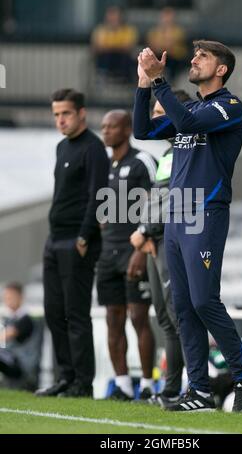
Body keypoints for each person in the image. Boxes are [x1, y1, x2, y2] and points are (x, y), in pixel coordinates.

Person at [133, 40, 242, 413]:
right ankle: (200, 391)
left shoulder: (229, 107)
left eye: (202, 56)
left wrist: (159, 83)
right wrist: (144, 84)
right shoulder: (189, 106)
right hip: (176, 217)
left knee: (205, 300)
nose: (193, 60)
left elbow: (187, 123)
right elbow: (142, 129)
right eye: (194, 55)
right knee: (184, 307)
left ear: (221, 69)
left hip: (205, 213)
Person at [36, 89, 109, 398]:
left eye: (65, 113)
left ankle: (83, 382)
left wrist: (84, 235)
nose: (60, 120)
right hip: (55, 240)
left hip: (77, 241)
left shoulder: (93, 148)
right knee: (54, 311)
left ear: (81, 113)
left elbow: (99, 195)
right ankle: (65, 376)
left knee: (76, 313)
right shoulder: (61, 148)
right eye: (55, 115)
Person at [130, 90, 191, 408]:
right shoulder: (168, 153)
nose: (155, 117)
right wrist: (145, 231)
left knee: (177, 317)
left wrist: (146, 231)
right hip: (155, 241)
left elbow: (176, 200)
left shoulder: (187, 150)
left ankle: (191, 389)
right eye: (152, 111)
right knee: (165, 319)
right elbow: (156, 198)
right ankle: (170, 390)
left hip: (170, 240)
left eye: (159, 111)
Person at [97, 110, 157, 401]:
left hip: (134, 252)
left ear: (127, 129)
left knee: (139, 318)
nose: (106, 131)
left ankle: (147, 384)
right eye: (104, 126)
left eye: (112, 126)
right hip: (108, 252)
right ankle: (121, 384)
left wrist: (141, 249)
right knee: (112, 318)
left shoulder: (143, 160)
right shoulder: (102, 165)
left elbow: (156, 201)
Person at [0, 282, 35, 389]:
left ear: (20, 297)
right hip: (12, 362)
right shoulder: (10, 319)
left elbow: (6, 335)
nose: (7, 300)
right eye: (6, 297)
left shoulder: (26, 319)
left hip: (22, 366)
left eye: (10, 297)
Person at [91, 6, 138, 81]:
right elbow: (97, 47)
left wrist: (109, 46)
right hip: (105, 59)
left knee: (128, 59)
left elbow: (128, 47)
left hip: (122, 59)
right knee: (106, 57)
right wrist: (117, 46)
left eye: (115, 16)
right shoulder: (100, 30)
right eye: (111, 16)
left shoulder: (129, 30)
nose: (113, 18)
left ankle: (124, 79)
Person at [146, 7, 187, 81]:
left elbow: (170, 45)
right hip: (159, 55)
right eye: (165, 16)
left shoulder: (179, 31)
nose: (167, 19)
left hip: (174, 57)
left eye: (169, 17)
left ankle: (172, 81)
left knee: (171, 59)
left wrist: (163, 43)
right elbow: (152, 44)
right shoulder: (154, 31)